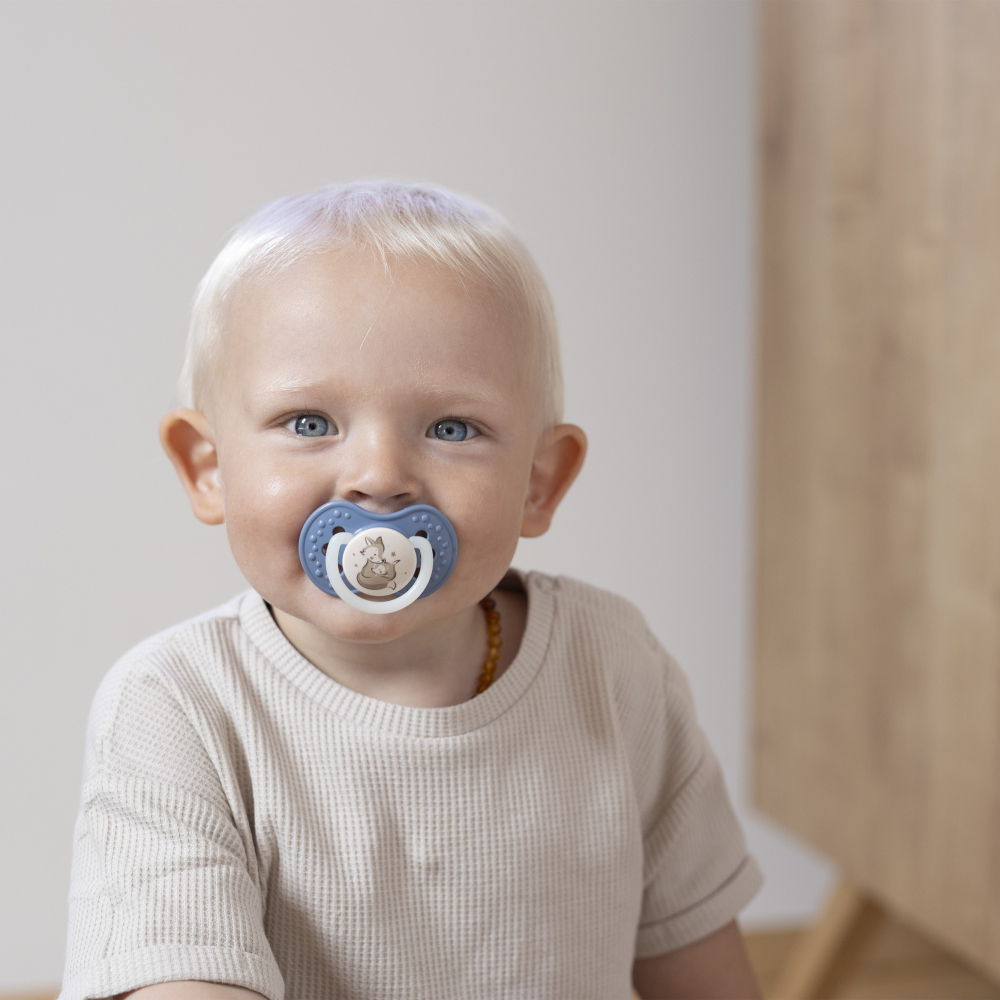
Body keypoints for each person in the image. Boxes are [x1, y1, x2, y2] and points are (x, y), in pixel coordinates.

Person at [61, 181, 763, 1000]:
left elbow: (701, 964)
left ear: (539, 482)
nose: (379, 477)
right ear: (208, 468)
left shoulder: (613, 668)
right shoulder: (176, 708)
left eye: (451, 428)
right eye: (310, 423)